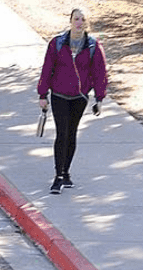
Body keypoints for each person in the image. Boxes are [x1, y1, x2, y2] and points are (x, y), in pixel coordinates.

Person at [36, 8, 108, 194]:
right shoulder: (57, 43)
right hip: (59, 95)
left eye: (83, 19)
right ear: (70, 21)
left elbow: (100, 73)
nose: (79, 22)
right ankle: (58, 176)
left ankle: (66, 172)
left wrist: (99, 98)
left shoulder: (93, 46)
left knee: (72, 133)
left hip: (79, 97)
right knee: (62, 133)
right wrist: (42, 94)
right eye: (76, 19)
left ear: (86, 23)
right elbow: (47, 69)